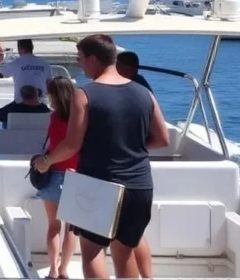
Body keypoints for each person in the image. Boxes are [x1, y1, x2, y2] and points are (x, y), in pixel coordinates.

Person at [35, 34, 169, 280]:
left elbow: (72, 144)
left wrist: (46, 162)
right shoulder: (144, 93)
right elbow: (162, 138)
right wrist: (129, 149)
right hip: (139, 185)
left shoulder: (84, 94)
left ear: (93, 59)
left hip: (98, 184)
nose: (80, 64)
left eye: (80, 59)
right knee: (125, 252)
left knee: (92, 252)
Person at [39, 76, 78, 279]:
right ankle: (64, 269)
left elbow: (53, 144)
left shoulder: (54, 117)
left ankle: (53, 271)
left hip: (53, 172)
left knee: (53, 226)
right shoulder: (80, 117)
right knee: (71, 227)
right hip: (76, 174)